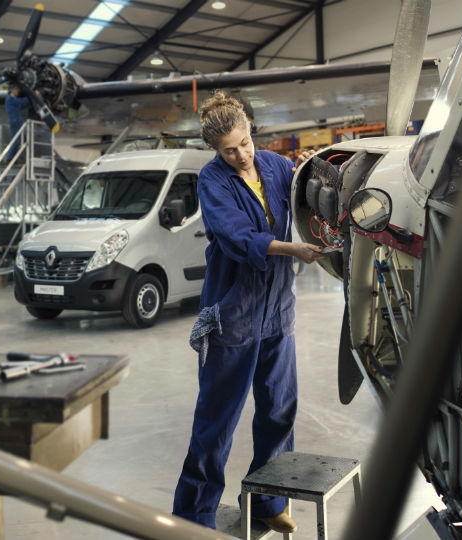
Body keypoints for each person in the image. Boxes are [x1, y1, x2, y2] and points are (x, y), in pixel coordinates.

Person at [172, 91, 324, 532]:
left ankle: (269, 503)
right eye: (228, 150)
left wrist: (313, 168)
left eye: (244, 143)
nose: (240, 155)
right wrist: (292, 249)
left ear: (251, 129)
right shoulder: (212, 180)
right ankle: (193, 517)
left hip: (279, 310)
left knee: (279, 412)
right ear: (215, 152)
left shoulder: (277, 166)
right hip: (233, 315)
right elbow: (236, 238)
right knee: (216, 422)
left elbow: (306, 196)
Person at [5, 85, 30, 161]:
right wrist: (31, 95)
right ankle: (9, 157)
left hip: (18, 122)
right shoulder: (10, 99)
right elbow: (22, 102)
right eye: (16, 89)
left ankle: (13, 158)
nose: (18, 91)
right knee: (15, 140)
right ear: (12, 90)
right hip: (15, 121)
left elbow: (23, 105)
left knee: (19, 140)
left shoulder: (14, 100)